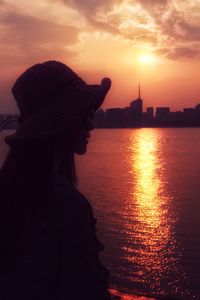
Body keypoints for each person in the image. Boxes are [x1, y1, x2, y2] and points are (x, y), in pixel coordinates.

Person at [0, 61, 112, 300]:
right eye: (86, 114)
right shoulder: (66, 205)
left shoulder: (10, 191)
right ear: (63, 120)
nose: (90, 125)